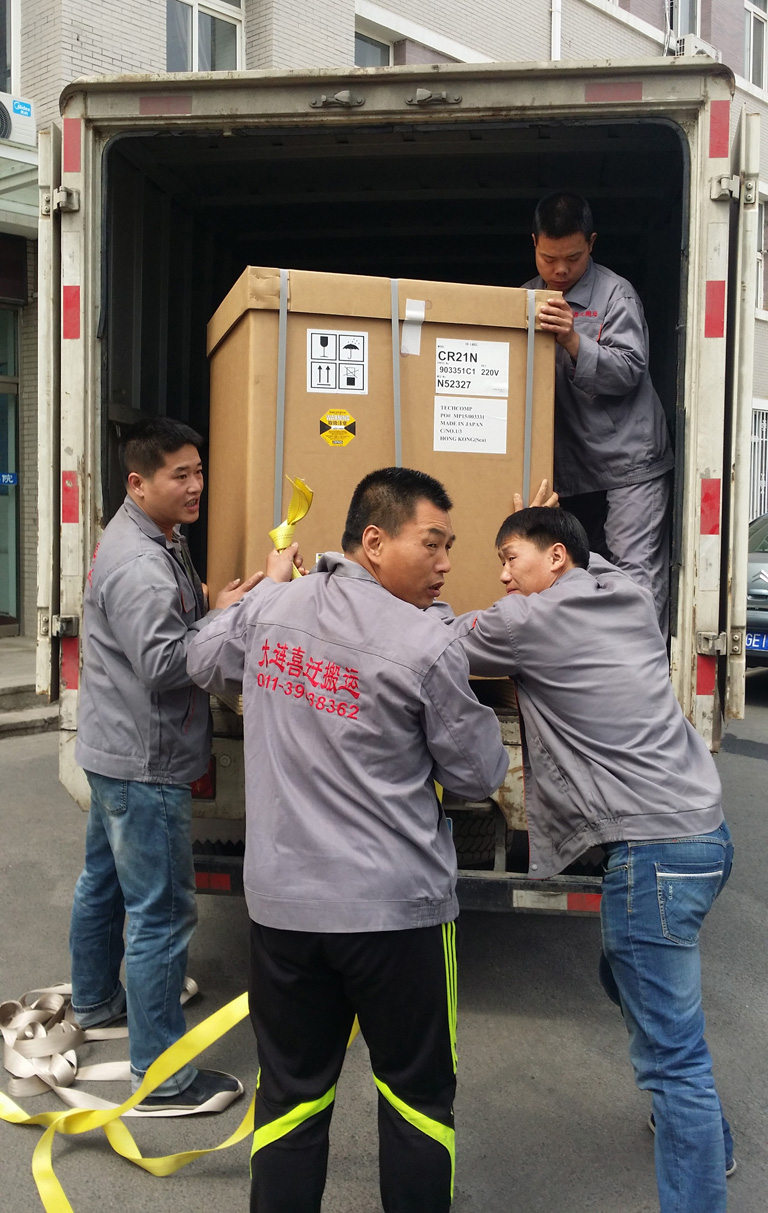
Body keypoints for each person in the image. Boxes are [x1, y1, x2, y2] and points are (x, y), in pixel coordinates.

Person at [187, 466, 509, 1212]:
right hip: (397, 916)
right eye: (432, 543)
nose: (445, 563)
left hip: (284, 910)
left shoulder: (273, 609)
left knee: (290, 1099)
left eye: (450, 547)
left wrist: (265, 595)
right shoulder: (426, 642)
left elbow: (202, 659)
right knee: (417, 1100)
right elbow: (477, 772)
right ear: (374, 540)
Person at [451, 505, 733, 1213]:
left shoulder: (528, 620)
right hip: (706, 836)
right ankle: (701, 1132)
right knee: (628, 977)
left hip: (651, 853)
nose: (502, 575)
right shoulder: (629, 595)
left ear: (556, 558)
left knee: (674, 1061)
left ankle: (699, 1143)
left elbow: (437, 643)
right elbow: (596, 559)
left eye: (510, 557)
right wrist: (556, 526)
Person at [70, 417, 260, 1114]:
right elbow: (165, 662)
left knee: (104, 883)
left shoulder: (151, 535)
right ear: (138, 481)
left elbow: (167, 616)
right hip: (144, 759)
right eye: (180, 475)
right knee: (163, 913)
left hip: (114, 746)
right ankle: (161, 1077)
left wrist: (211, 602)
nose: (195, 485)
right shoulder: (140, 562)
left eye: (198, 471)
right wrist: (233, 623)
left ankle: (95, 1001)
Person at [524, 191, 674, 635]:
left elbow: (628, 370)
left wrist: (573, 340)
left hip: (630, 461)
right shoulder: (525, 299)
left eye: (573, 258)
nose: (560, 270)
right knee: (569, 573)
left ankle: (641, 668)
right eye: (549, 258)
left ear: (591, 243)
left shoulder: (615, 294)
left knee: (633, 577)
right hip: (570, 469)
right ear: (534, 243)